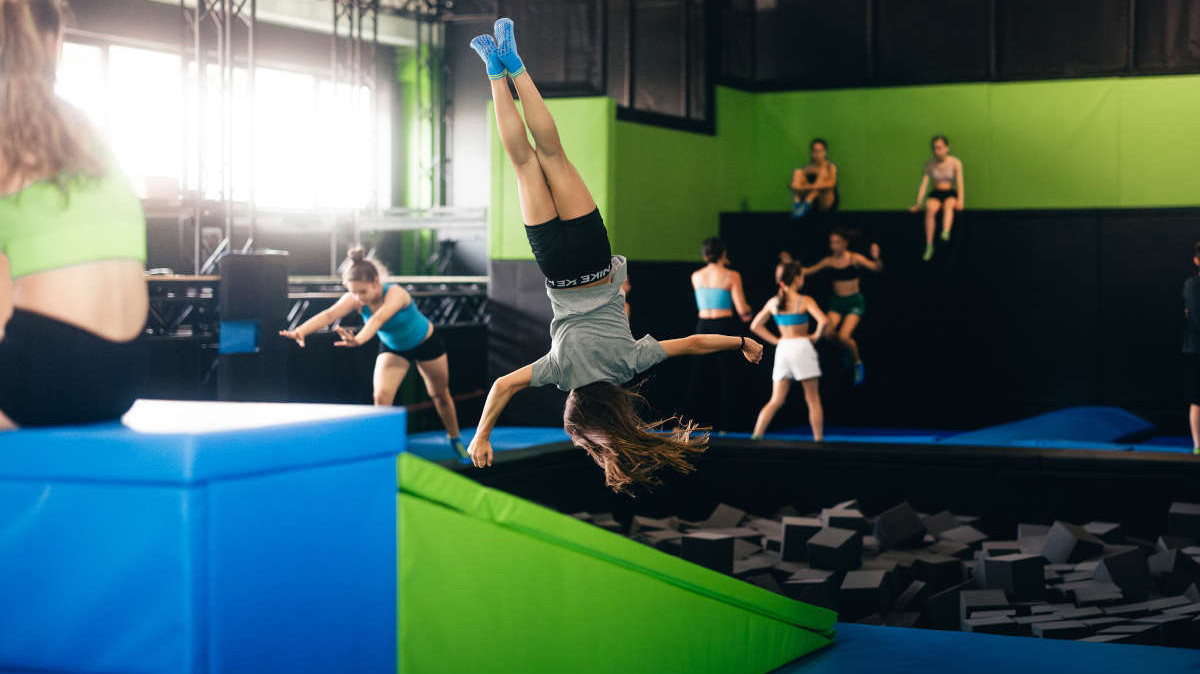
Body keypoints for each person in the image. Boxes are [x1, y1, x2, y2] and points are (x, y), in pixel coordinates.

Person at [466, 18, 763, 493]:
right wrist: (481, 437)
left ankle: (516, 65)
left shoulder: (629, 363)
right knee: (525, 165)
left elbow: (691, 343)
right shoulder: (559, 371)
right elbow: (501, 385)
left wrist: (739, 343)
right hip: (557, 268)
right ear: (578, 408)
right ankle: (495, 70)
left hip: (594, 258)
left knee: (553, 154)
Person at [0, 0, 149, 430]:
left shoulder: (8, 128)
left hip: (42, 379)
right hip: (123, 377)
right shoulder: (84, 131)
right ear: (56, 44)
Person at [279, 248, 469, 458]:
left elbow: (378, 320)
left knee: (439, 395)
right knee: (381, 396)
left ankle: (455, 438)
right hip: (394, 348)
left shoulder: (396, 294)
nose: (358, 299)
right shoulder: (355, 298)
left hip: (426, 343)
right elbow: (329, 314)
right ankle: (386, 448)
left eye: (363, 292)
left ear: (376, 282)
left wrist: (358, 339)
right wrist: (301, 331)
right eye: (354, 292)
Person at [750, 262, 828, 441]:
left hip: (784, 349)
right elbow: (824, 321)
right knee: (813, 400)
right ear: (797, 278)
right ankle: (818, 441)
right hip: (802, 346)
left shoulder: (773, 302)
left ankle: (756, 436)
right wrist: (815, 336)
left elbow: (755, 326)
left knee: (776, 400)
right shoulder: (805, 300)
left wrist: (777, 341)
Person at [803, 227, 882, 386]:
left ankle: (857, 362)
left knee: (844, 336)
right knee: (827, 333)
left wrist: (877, 257)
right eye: (832, 243)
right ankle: (848, 350)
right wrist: (790, 265)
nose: (834, 246)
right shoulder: (829, 261)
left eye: (838, 242)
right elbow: (808, 271)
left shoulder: (854, 258)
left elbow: (876, 268)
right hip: (837, 303)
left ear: (845, 243)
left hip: (854, 302)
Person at [688, 237, 752, 432]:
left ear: (706, 255)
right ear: (723, 253)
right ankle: (726, 426)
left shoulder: (696, 276)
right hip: (724, 326)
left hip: (703, 325)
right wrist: (749, 312)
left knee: (699, 375)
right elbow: (742, 309)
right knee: (727, 376)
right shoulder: (732, 275)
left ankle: (692, 424)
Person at [909, 135, 965, 261]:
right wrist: (918, 203)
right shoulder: (929, 164)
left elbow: (960, 182)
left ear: (947, 148)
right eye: (934, 148)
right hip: (936, 192)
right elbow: (924, 184)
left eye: (939, 148)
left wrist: (961, 200)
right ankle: (929, 245)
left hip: (950, 192)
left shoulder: (955, 162)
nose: (937, 151)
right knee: (930, 208)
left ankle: (945, 231)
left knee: (949, 205)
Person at [790, 138, 839, 219]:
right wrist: (798, 186)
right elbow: (797, 184)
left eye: (820, 151)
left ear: (824, 152)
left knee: (822, 173)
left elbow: (832, 183)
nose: (817, 154)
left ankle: (807, 201)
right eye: (815, 151)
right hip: (808, 198)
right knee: (797, 172)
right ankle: (797, 204)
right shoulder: (808, 168)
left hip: (824, 201)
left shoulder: (830, 167)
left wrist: (813, 187)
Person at [1183, 242, 1200, 455]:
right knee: (1197, 399)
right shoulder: (1192, 285)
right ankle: (1198, 445)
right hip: (1196, 350)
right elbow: (1195, 317)